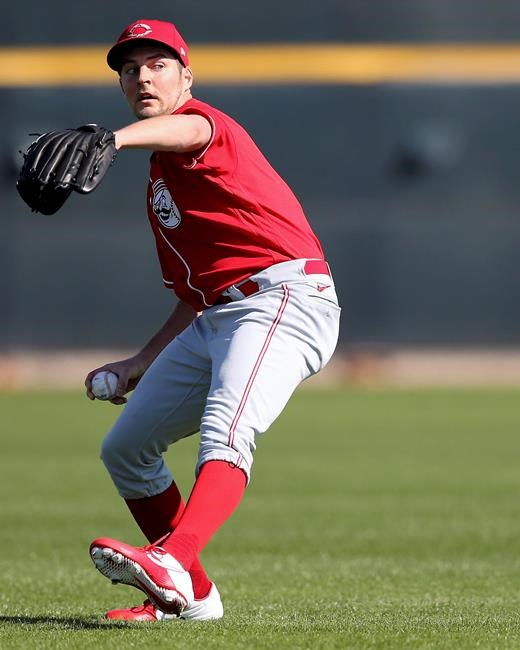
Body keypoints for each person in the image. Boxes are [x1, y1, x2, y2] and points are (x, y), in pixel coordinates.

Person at [86, 18, 341, 622]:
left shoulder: (206, 127)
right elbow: (196, 294)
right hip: (221, 314)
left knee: (227, 428)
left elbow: (189, 127)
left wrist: (116, 140)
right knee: (126, 449)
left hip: (286, 300)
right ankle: (190, 597)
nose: (142, 76)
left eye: (157, 65)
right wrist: (139, 363)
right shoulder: (161, 185)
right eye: (130, 69)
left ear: (186, 76)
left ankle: (172, 557)